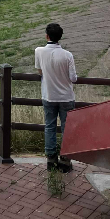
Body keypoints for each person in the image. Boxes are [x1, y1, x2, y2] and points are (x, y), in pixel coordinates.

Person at [35, 23, 78, 171]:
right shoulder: (67, 55)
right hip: (66, 97)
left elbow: (40, 71)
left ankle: (51, 160)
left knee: (49, 126)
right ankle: (65, 160)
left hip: (49, 95)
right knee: (67, 128)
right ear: (60, 37)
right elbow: (73, 78)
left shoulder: (39, 51)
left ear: (47, 36)